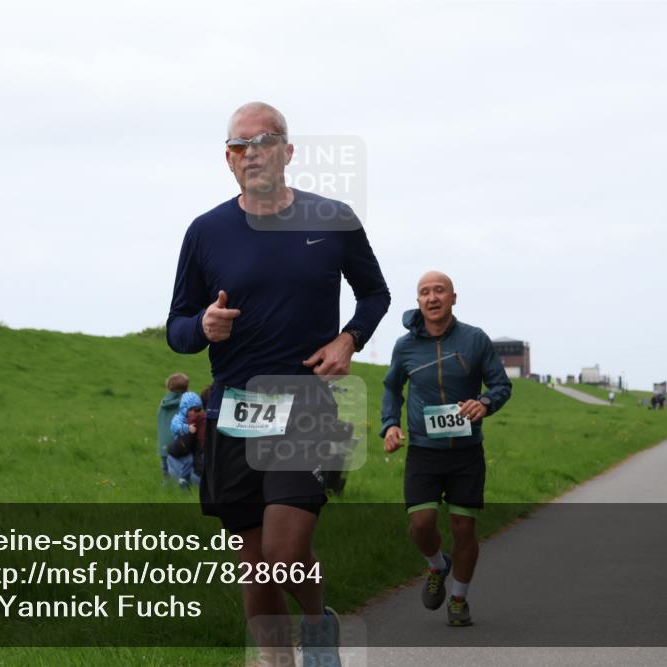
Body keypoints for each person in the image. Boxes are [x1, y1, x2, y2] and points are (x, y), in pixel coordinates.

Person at [166, 102, 390, 666]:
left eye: (263, 141)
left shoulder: (332, 219)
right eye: (239, 146)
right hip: (234, 412)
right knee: (253, 564)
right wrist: (202, 326)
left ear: (287, 151)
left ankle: (316, 623)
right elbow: (177, 328)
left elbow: (375, 294)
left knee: (284, 555)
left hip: (307, 405)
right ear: (228, 159)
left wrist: (349, 340)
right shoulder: (206, 232)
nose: (251, 153)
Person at [381, 271, 512, 628]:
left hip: (466, 452)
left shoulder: (474, 339)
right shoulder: (405, 346)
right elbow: (392, 388)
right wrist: (390, 424)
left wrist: (484, 402)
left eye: (439, 290)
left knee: (463, 528)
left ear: (453, 298)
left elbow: (501, 384)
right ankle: (438, 565)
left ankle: (458, 599)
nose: (432, 297)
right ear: (418, 301)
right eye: (424, 292)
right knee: (420, 525)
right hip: (423, 450)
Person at [156, 373, 189, 485]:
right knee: (181, 466)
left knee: (165, 466)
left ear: (168, 388)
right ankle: (181, 484)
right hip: (179, 443)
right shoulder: (187, 403)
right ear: (187, 388)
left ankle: (167, 483)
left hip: (164, 442)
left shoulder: (164, 402)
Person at [169, 391, 206, 489]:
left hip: (189, 445)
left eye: (199, 410)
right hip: (180, 444)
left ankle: (188, 479)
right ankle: (182, 479)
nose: (196, 413)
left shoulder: (194, 419)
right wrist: (187, 428)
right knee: (188, 460)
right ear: (185, 408)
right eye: (194, 410)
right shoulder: (178, 418)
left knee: (192, 459)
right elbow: (174, 427)